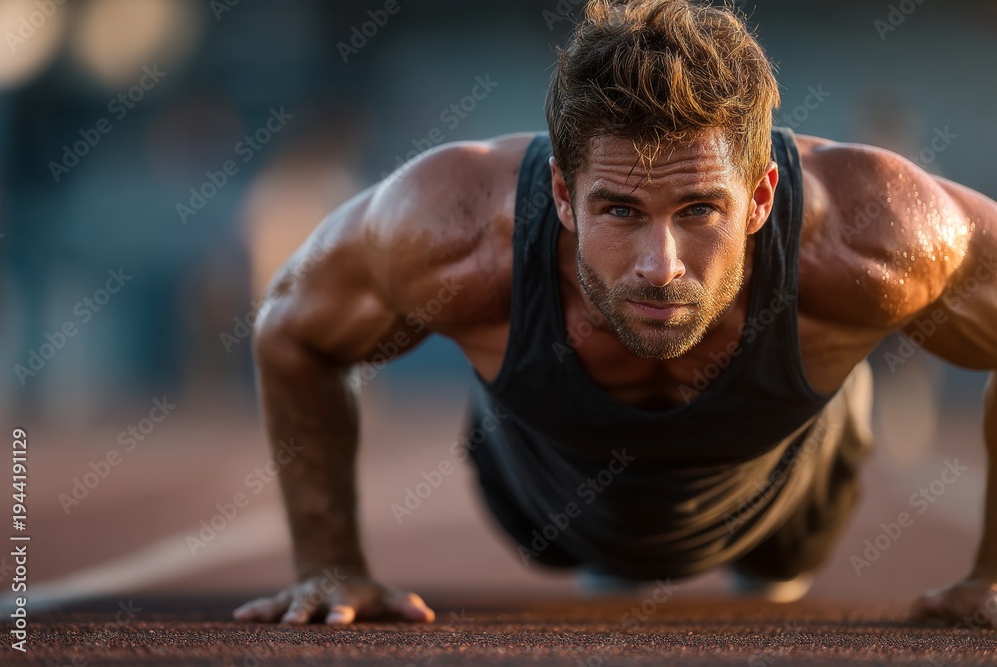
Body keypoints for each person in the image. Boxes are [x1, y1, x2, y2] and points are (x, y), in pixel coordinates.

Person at [232, 0, 997, 627]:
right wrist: (330, 562)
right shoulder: (453, 231)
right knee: (572, 531)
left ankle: (809, 470)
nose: (659, 266)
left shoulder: (872, 238)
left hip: (790, 493)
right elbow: (293, 330)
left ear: (761, 197)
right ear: (563, 195)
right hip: (550, 501)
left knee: (782, 556)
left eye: (700, 208)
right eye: (621, 208)